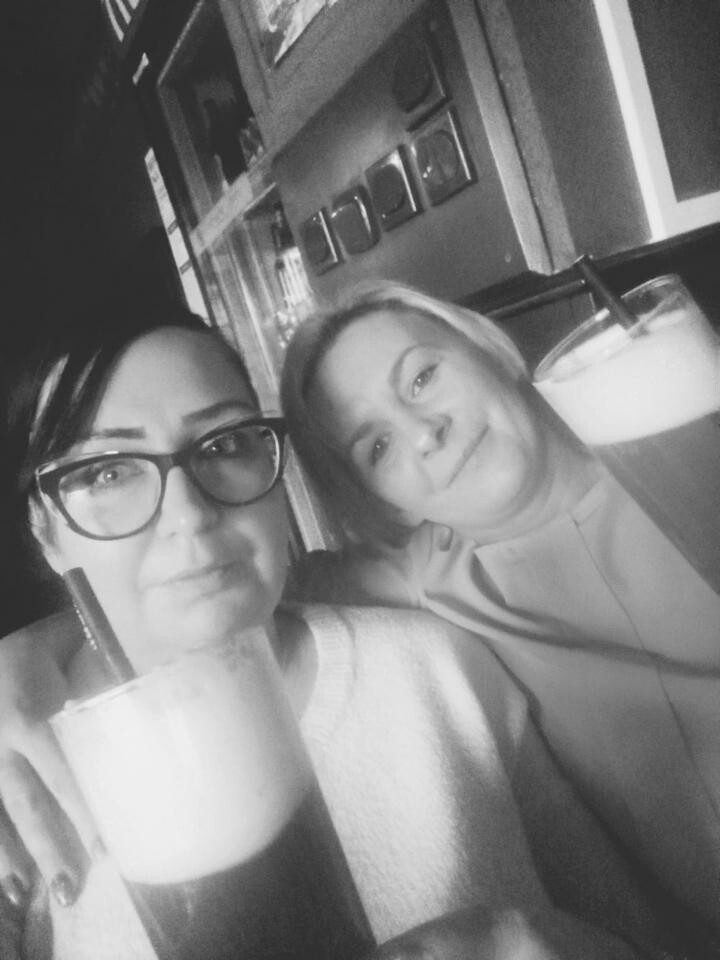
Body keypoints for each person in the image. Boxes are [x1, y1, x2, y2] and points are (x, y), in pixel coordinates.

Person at [0, 297, 678, 960]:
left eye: (225, 443)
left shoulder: (438, 664)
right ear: (44, 529)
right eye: (106, 472)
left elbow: (635, 934)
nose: (189, 515)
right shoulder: (18, 787)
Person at [279, 279, 720, 934]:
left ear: (494, 351)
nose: (423, 433)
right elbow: (239, 592)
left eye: (422, 377)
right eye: (377, 446)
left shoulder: (674, 428)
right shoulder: (423, 580)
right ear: (387, 503)